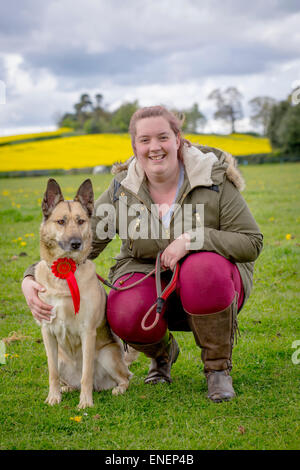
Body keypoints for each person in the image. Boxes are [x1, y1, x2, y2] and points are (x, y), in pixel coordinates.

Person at [22, 105, 263, 402]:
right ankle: (162, 355)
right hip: (149, 283)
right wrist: (30, 277)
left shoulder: (213, 180)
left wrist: (193, 239)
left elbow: (251, 242)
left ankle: (217, 370)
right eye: (144, 140)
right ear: (135, 146)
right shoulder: (123, 189)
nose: (154, 148)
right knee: (122, 309)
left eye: (162, 137)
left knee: (202, 268)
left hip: (212, 286)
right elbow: (80, 242)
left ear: (178, 139)